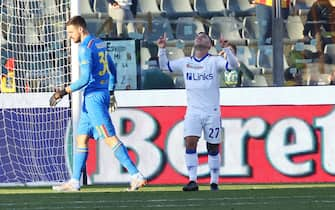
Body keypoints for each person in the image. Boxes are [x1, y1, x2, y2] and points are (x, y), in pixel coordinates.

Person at [50, 15, 146, 192]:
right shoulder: (99, 42)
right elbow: (112, 66)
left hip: (93, 98)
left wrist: (63, 91)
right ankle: (75, 181)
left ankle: (136, 174)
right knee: (82, 137)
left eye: (71, 32)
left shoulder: (84, 49)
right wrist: (110, 91)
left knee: (109, 138)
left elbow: (85, 79)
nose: (70, 36)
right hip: (97, 95)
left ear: (80, 29)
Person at [156, 32, 238, 191]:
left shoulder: (214, 61)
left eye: (204, 36)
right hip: (193, 111)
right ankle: (192, 180)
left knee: (213, 147)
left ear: (209, 45)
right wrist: (161, 49)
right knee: (190, 142)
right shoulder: (186, 62)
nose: (199, 37)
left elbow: (233, 66)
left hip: (212, 112)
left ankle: (214, 181)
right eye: (198, 36)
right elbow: (165, 66)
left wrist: (227, 49)